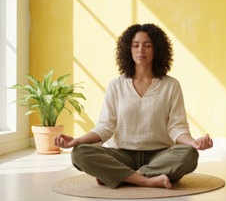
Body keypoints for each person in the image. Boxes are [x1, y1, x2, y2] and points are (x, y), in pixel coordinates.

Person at [54, 23, 213, 189]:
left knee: (188, 154)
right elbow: (105, 127)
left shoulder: (171, 85)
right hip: (122, 155)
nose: (140, 51)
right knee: (80, 153)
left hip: (160, 155)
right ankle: (146, 179)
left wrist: (194, 143)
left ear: (157, 49)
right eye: (135, 45)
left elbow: (176, 128)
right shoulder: (116, 85)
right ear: (128, 50)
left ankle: (121, 176)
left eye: (148, 45)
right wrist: (76, 141)